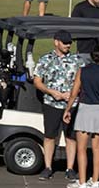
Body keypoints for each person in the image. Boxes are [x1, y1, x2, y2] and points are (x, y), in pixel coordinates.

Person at [30, 31, 83, 179]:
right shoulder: (45, 60)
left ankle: (70, 168)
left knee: (71, 137)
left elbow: (82, 82)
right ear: (56, 42)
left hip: (71, 105)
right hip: (51, 104)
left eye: (69, 43)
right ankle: (48, 167)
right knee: (49, 136)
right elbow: (37, 81)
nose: (68, 45)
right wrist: (51, 92)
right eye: (65, 42)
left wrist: (72, 95)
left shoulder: (77, 61)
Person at [64, 51, 99, 188]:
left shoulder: (83, 71)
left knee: (81, 148)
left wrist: (67, 109)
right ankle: (95, 181)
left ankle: (81, 183)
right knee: (97, 148)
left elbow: (75, 92)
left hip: (86, 109)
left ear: (92, 57)